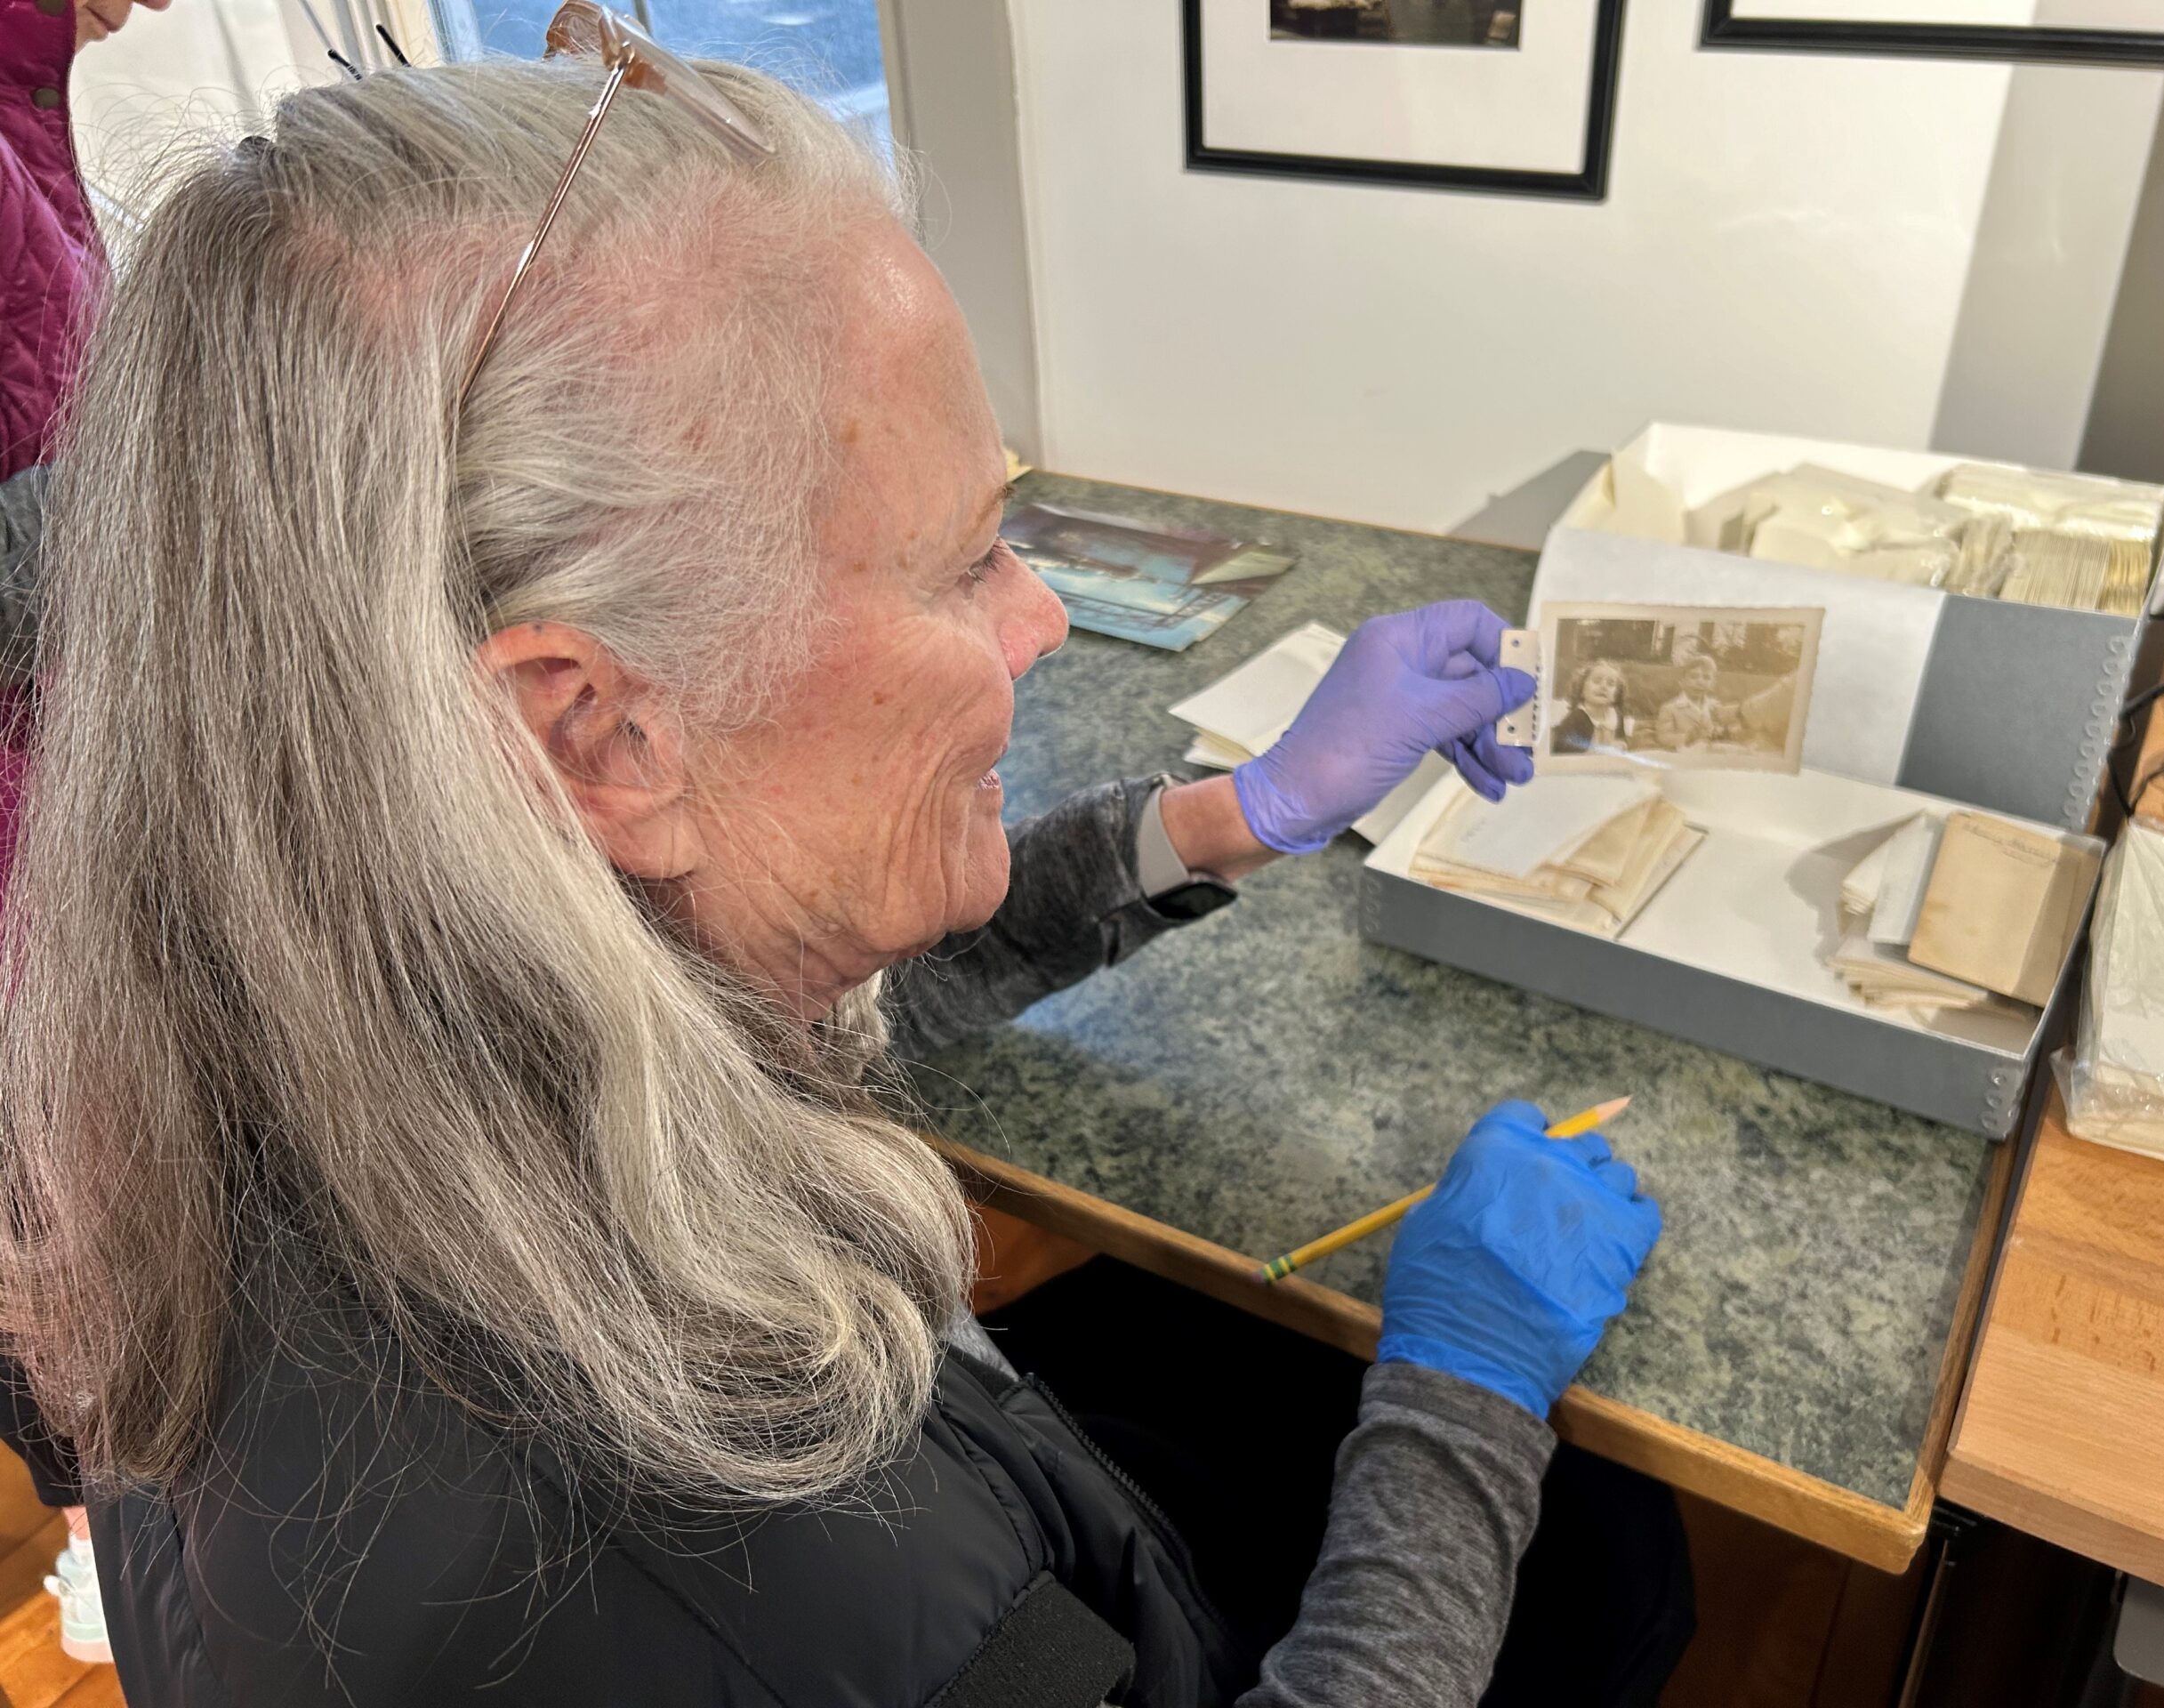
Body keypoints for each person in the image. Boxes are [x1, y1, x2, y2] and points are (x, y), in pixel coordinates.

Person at [0, 39, 1670, 1707]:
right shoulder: (753, 1566)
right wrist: (1464, 1384)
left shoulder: (278, 1002)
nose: (1040, 620)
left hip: (995, 1505)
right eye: (963, 563)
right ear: (594, 735)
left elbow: (745, 991)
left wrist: (1251, 809)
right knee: (1610, 1552)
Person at [0, 0, 169, 1666]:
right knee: (66, 1247)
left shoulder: (28, 95)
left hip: (61, 804)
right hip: (16, 889)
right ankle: (113, 1552)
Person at [1550, 657, 1631, 755]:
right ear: (1581, 689)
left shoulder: (1616, 716)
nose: (1603, 687)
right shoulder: (1577, 717)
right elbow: (1561, 746)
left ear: (1616, 695)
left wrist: (1621, 745)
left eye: (1610, 684)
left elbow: (1621, 740)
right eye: (1597, 681)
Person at [1653, 647, 1724, 752]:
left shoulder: (1716, 706)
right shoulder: (1670, 708)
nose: (1700, 682)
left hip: (1712, 753)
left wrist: (1719, 731)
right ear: (1682, 681)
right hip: (1686, 753)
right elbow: (1663, 737)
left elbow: (1722, 730)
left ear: (1713, 684)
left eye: (1706, 677)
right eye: (1694, 676)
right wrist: (1687, 737)